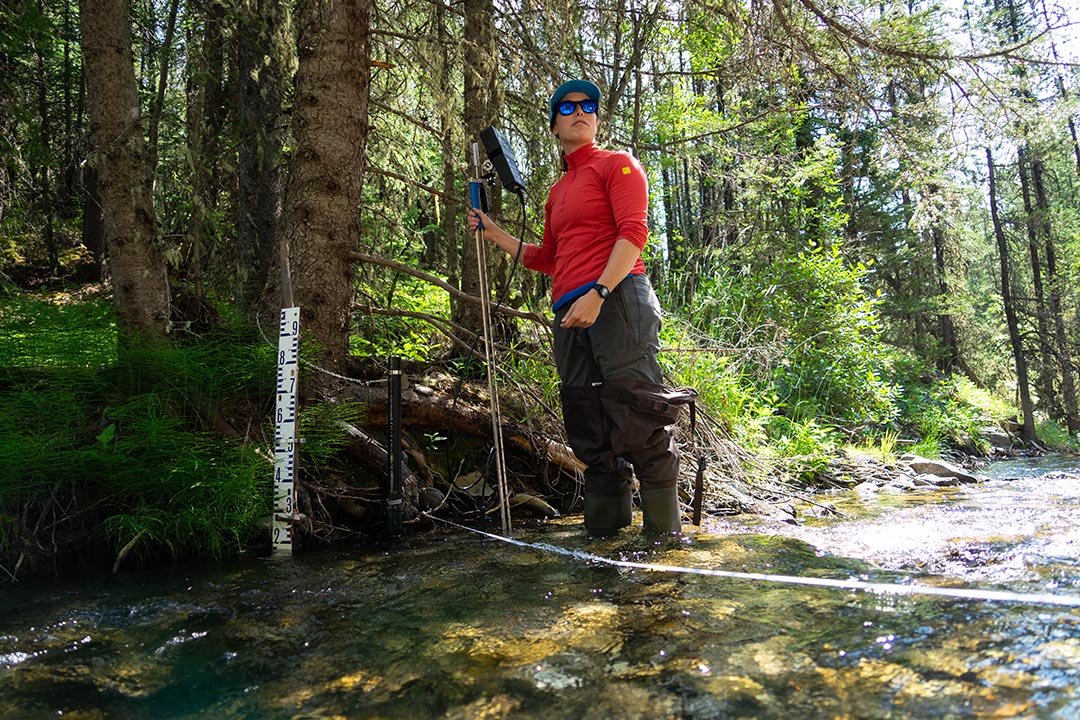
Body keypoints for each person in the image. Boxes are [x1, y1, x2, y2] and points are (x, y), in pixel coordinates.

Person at [468, 79, 682, 536]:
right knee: (589, 427)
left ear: (597, 119)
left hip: (618, 298)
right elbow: (548, 258)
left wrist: (599, 292)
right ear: (553, 126)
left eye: (588, 105)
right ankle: (605, 547)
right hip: (568, 313)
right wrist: (495, 232)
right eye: (567, 107)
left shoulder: (618, 165)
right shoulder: (556, 192)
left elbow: (633, 233)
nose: (580, 110)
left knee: (637, 414)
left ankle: (666, 547)